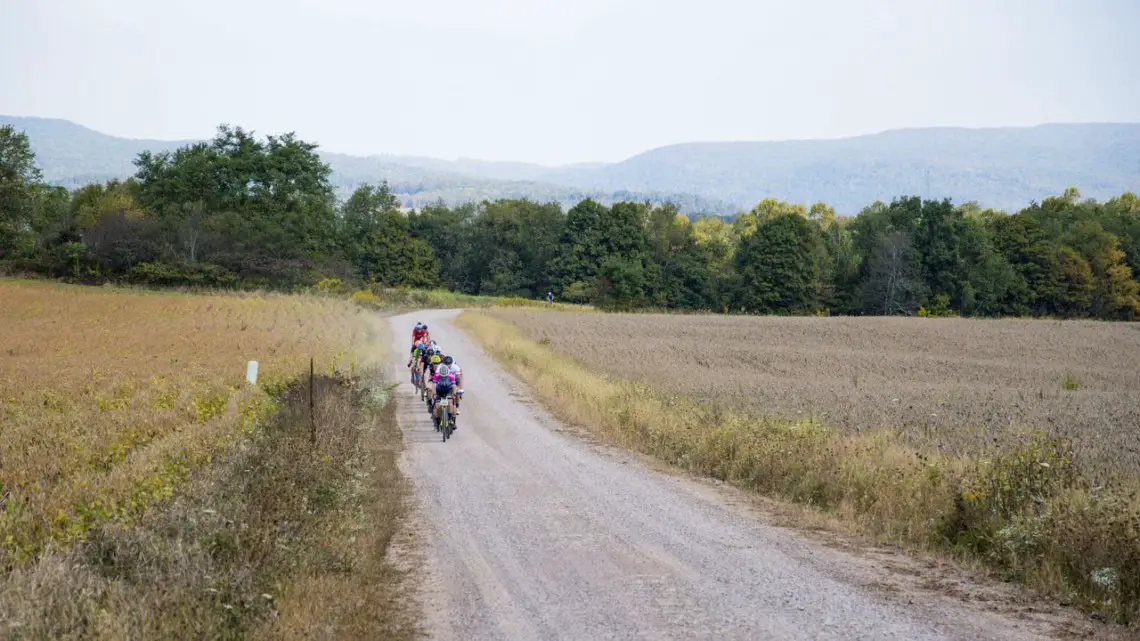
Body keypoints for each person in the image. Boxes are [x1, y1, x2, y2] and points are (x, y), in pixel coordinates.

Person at [432, 362, 458, 429]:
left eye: (445, 376)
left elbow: (454, 386)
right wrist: (434, 394)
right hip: (439, 391)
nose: (443, 377)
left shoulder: (451, 376)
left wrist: (454, 394)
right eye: (442, 376)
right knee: (437, 406)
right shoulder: (436, 376)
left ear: (448, 374)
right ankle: (437, 421)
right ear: (439, 374)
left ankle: (450, 419)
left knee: (450, 404)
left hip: (448, 391)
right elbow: (434, 386)